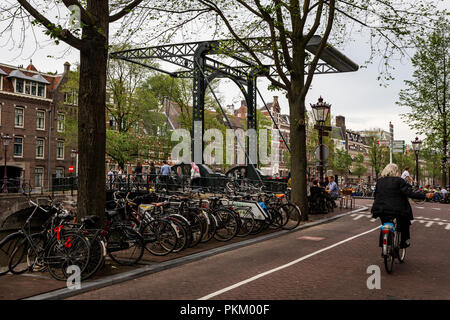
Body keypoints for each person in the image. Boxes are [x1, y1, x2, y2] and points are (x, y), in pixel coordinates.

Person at [371, 163, 425, 248]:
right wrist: (423, 195)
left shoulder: (380, 181)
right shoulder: (400, 181)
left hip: (380, 208)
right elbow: (408, 193)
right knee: (404, 222)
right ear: (396, 171)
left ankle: (384, 246)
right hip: (397, 209)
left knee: (385, 223)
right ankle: (403, 242)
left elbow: (376, 195)